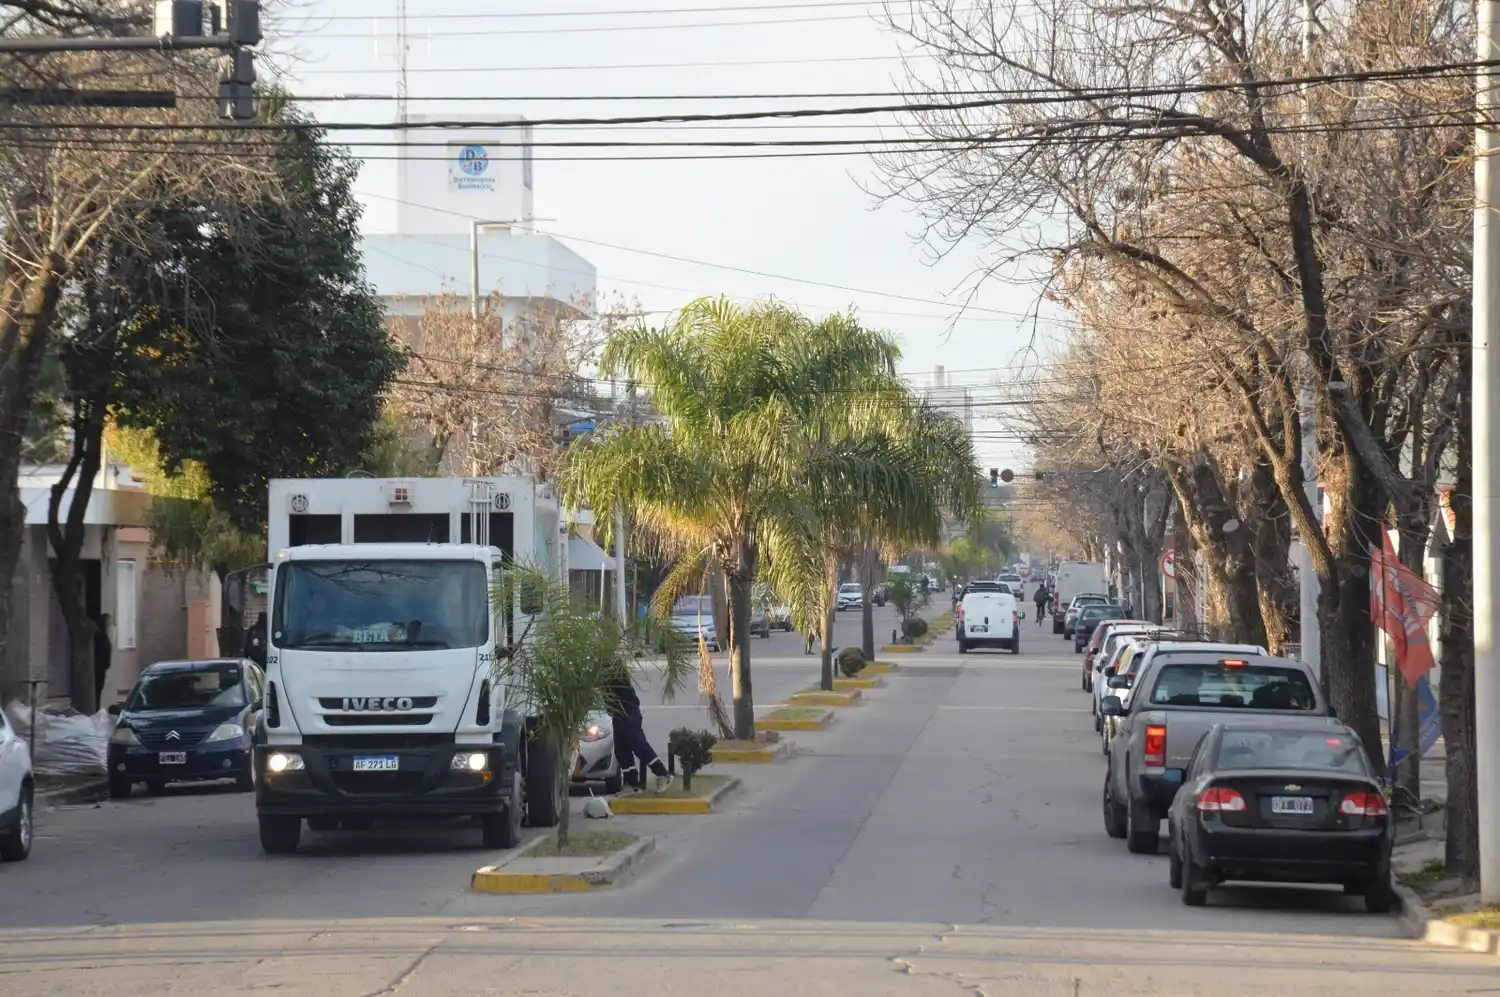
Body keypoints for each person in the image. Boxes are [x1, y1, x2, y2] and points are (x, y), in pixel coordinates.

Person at [607, 662, 673, 794]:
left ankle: (663, 774)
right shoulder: (605, 665)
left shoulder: (613, 667)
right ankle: (631, 783)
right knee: (621, 750)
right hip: (617, 714)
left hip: (628, 712)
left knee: (638, 744)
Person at [92, 613, 112, 707]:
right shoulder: (100, 636)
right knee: (96, 692)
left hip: (100, 668)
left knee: (98, 692)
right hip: (98, 669)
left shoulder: (102, 635)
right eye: (108, 622)